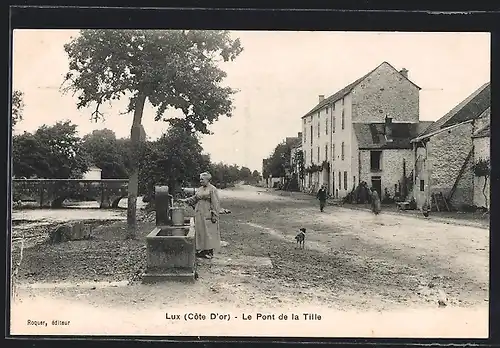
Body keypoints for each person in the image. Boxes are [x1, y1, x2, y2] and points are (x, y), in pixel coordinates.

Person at [180, 172, 221, 259]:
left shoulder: (212, 189)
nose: (200, 180)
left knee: (208, 232)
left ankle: (209, 251)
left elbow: (215, 203)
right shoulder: (199, 189)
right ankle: (202, 250)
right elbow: (194, 198)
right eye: (200, 179)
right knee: (200, 231)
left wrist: (214, 214)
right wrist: (185, 200)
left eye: (202, 179)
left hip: (207, 213)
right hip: (199, 212)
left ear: (207, 180)